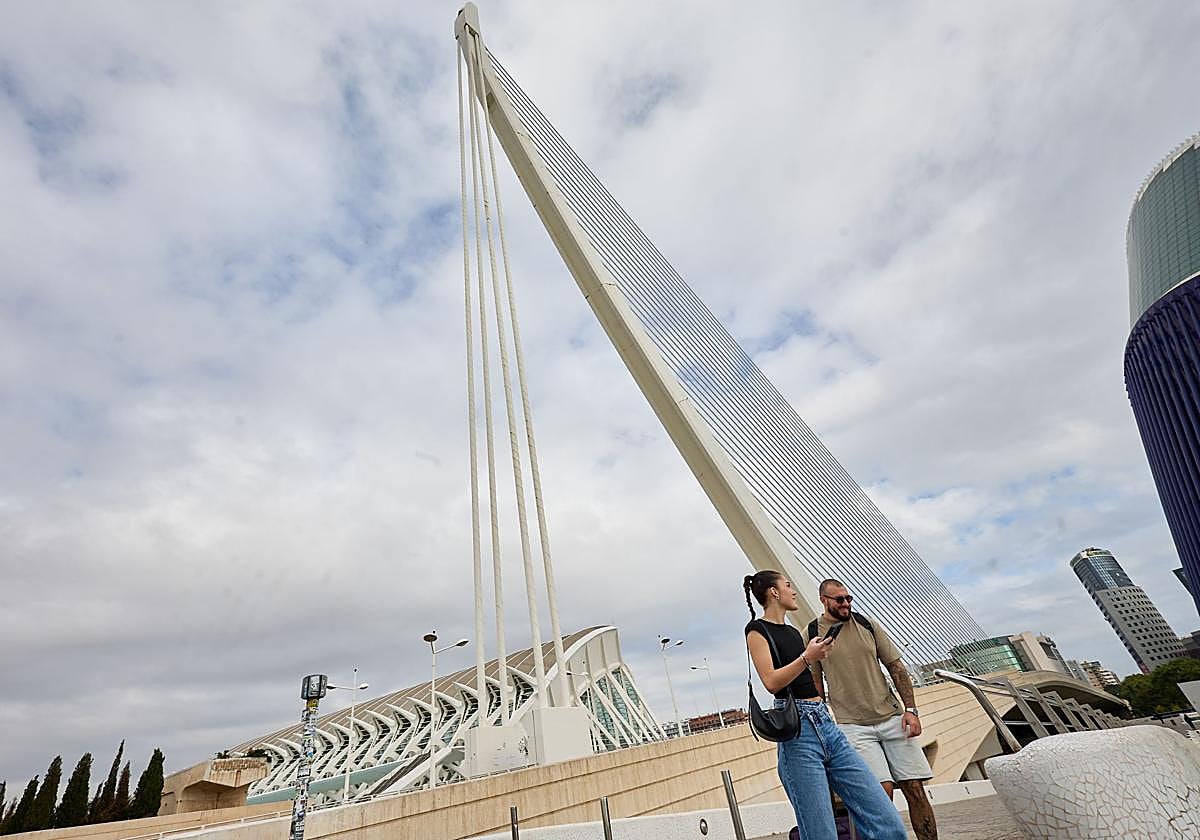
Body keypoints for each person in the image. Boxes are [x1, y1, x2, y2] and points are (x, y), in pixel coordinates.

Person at [744, 571, 908, 840]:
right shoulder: (756, 630)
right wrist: (808, 657)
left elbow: (805, 676)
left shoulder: (793, 633)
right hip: (799, 736)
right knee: (821, 833)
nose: (793, 590)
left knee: (885, 819)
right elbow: (771, 682)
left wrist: (815, 654)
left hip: (826, 726)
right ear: (774, 593)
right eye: (788, 585)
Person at [803, 578, 937, 840]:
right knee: (879, 793)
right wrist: (821, 728)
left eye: (848, 598)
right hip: (852, 726)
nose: (846, 603)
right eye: (839, 599)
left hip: (892, 719)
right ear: (824, 600)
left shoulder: (867, 624)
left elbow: (896, 667)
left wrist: (911, 710)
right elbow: (816, 684)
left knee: (915, 789)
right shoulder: (811, 634)